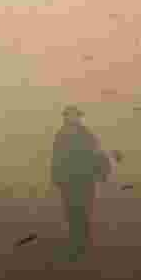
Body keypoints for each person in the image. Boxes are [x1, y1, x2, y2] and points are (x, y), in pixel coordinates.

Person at [50, 105, 111, 262]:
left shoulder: (86, 135)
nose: (71, 118)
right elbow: (56, 158)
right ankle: (76, 242)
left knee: (83, 210)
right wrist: (56, 177)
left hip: (84, 180)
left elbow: (97, 154)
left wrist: (102, 172)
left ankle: (82, 243)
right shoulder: (62, 135)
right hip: (70, 181)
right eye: (68, 116)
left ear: (78, 117)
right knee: (72, 211)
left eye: (73, 116)